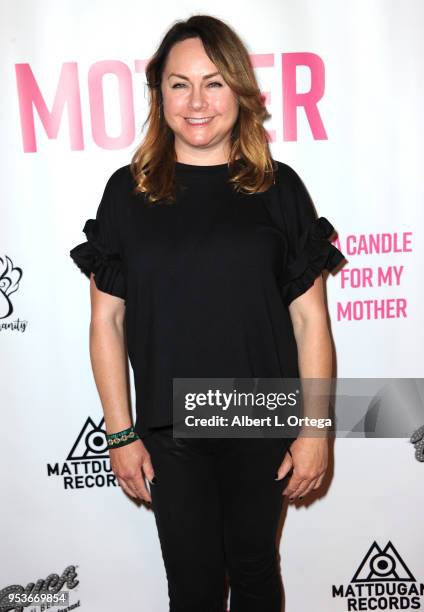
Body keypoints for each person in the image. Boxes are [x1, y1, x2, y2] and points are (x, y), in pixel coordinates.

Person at [70, 14, 345, 612]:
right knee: (192, 591)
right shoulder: (127, 193)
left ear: (239, 91)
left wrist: (317, 428)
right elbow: (107, 323)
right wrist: (120, 433)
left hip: (260, 413)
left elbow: (310, 323)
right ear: (158, 94)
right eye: (179, 83)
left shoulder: (280, 188)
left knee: (254, 576)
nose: (197, 101)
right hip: (172, 423)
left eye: (214, 82)